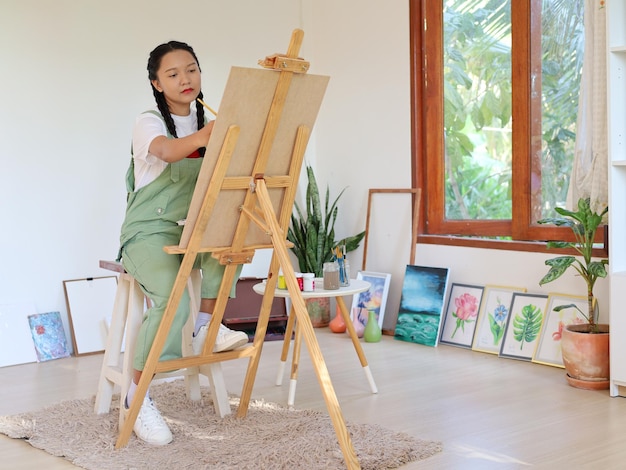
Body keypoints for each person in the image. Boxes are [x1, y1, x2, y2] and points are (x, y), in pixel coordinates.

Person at [117, 40, 249, 446]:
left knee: (232, 246)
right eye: (172, 74)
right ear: (156, 83)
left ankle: (206, 325)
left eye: (191, 69)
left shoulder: (209, 117)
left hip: (193, 225)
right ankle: (135, 398)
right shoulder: (148, 122)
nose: (185, 79)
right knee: (173, 294)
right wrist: (212, 134)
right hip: (147, 231)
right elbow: (169, 152)